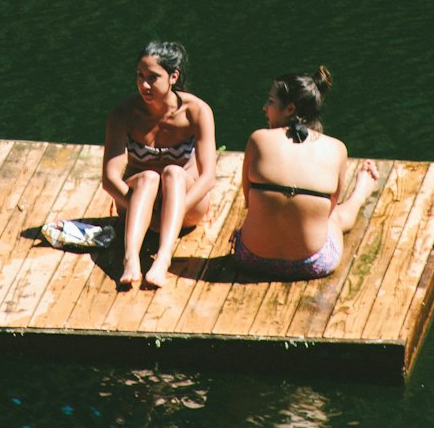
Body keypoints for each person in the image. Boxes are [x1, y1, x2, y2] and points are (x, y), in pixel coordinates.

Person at [233, 66, 379, 280]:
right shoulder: (337, 148)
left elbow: (247, 200)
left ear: (290, 109)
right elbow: (328, 211)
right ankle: (360, 193)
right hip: (312, 263)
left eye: (271, 101)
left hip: (252, 259)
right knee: (334, 217)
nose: (264, 108)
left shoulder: (258, 139)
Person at [102, 40, 216, 290]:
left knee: (173, 172)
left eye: (153, 77)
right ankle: (131, 258)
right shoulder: (124, 113)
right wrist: (141, 208)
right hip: (138, 204)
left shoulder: (196, 111)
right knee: (148, 178)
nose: (144, 85)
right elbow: (109, 179)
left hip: (185, 205)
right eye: (140, 76)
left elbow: (208, 177)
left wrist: (170, 214)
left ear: (173, 76)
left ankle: (163, 259)